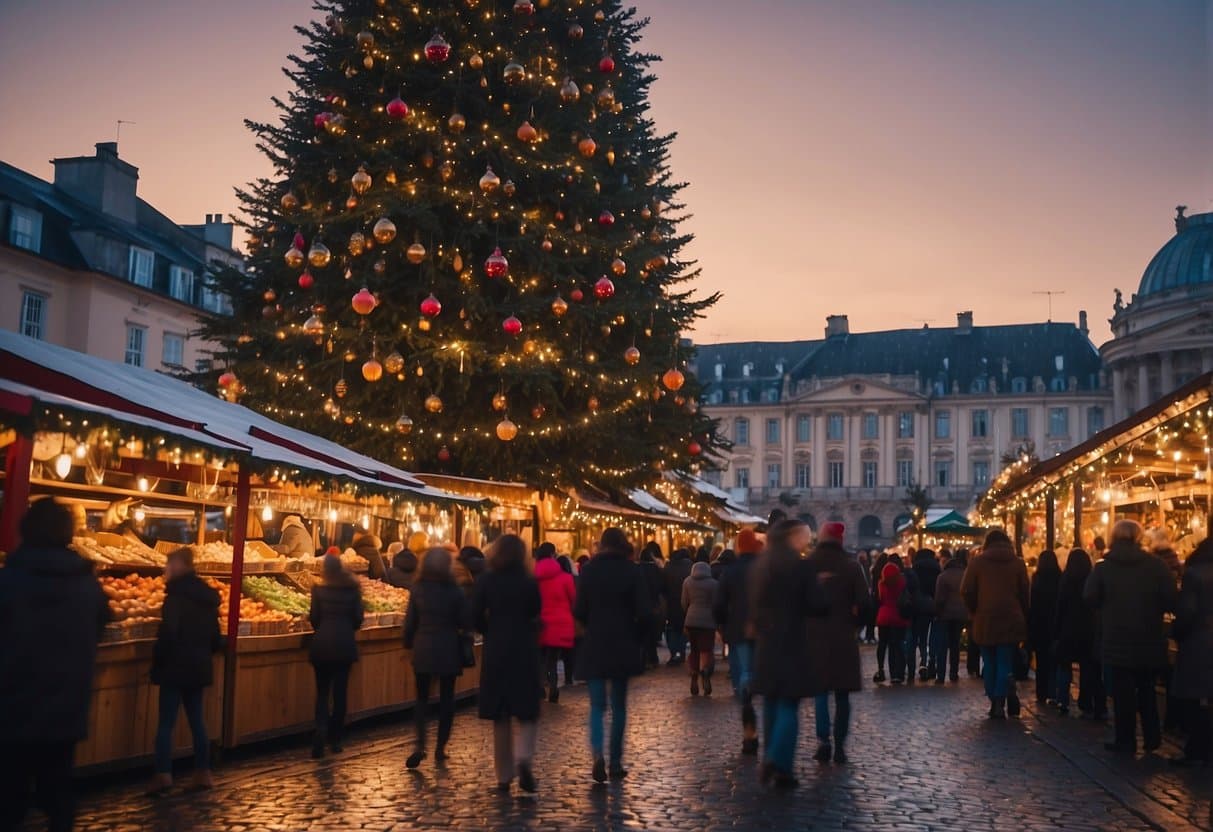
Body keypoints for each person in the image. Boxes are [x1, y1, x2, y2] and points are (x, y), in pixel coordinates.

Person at [0, 498, 109, 832]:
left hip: (14, 705)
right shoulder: (85, 581)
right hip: (66, 706)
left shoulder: (11, 577)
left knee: (10, 797)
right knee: (59, 795)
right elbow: (103, 623)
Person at [1083, 520, 1178, 753]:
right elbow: (1171, 599)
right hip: (1149, 639)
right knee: (1147, 690)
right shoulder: (1156, 566)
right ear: (1138, 537)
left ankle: (1125, 740)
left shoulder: (1104, 567)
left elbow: (1089, 597)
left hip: (1116, 640)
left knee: (1122, 694)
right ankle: (1152, 737)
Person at [749, 518, 827, 788]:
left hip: (767, 642)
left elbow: (753, 603)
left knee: (771, 702)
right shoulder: (801, 566)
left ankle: (778, 765)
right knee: (788, 705)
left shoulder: (763, 564)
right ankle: (776, 760)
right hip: (793, 641)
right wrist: (819, 584)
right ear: (793, 537)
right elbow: (818, 604)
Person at [574, 527, 650, 783]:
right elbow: (644, 611)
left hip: (595, 643)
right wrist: (639, 639)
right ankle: (615, 761)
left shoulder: (589, 572)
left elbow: (580, 610)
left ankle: (597, 754)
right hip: (623, 643)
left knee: (596, 706)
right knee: (619, 707)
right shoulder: (632, 571)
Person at [147, 546, 222, 795]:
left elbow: (169, 632)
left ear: (178, 567)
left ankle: (163, 774)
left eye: (168, 566)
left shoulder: (175, 597)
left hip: (174, 666)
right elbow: (216, 637)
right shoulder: (207, 597)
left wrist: (158, 661)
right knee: (198, 721)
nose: (165, 571)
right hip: (198, 665)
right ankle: (203, 772)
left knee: (166, 723)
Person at [474, 534, 543, 793]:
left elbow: (475, 615)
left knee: (500, 712)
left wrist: (489, 630)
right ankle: (524, 757)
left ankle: (503, 775)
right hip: (523, 647)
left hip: (497, 647)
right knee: (527, 709)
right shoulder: (528, 581)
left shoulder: (486, 580)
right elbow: (536, 610)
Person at [806, 522, 870, 764]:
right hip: (844, 635)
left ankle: (824, 740)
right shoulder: (851, 567)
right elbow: (865, 603)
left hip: (814, 637)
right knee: (842, 695)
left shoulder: (808, 565)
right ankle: (840, 744)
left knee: (820, 692)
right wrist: (857, 625)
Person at [403, 547, 470, 769]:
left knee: (422, 699)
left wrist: (408, 643)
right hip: (448, 648)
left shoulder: (418, 588)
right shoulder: (454, 590)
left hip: (423, 647)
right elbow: (465, 621)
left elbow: (410, 621)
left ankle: (420, 744)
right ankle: (440, 747)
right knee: (447, 700)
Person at [962, 529, 1029, 719]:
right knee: (1005, 661)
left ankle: (995, 701)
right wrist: (1023, 612)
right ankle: (1002, 695)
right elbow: (1025, 592)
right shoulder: (1017, 563)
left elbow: (966, 590)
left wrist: (974, 609)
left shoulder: (977, 562)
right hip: (1011, 618)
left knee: (989, 662)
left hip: (985, 619)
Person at [308, 551, 364, 757]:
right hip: (344, 646)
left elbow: (314, 618)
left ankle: (320, 733)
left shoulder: (318, 590)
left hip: (321, 645)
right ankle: (336, 739)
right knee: (340, 694)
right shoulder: (352, 590)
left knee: (322, 693)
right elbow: (358, 619)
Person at [713, 528, 763, 754]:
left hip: (737, 629)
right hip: (763, 630)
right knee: (757, 670)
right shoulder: (764, 569)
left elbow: (719, 604)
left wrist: (721, 625)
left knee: (743, 672)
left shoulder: (730, 572)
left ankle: (747, 714)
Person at [1170, 537, 1213, 766]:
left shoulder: (1195, 574)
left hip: (1200, 641)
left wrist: (1177, 632)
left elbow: (1187, 611)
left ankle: (1198, 748)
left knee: (1197, 699)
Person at [1052, 548, 1099, 717]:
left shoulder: (1066, 579)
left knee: (1064, 665)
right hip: (1088, 629)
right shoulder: (1091, 579)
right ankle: (1085, 703)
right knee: (1087, 667)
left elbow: (1060, 606)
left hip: (1068, 629)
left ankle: (1063, 700)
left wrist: (1057, 630)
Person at [535, 542, 576, 704]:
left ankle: (541, 685)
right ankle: (553, 686)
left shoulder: (533, 577)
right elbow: (574, 600)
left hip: (539, 623)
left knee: (540, 657)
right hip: (560, 623)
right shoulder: (566, 578)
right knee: (552, 657)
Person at [1028, 550, 1061, 705]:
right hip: (1055, 625)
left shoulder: (1036, 579)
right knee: (1055, 660)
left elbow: (1032, 604)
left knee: (1041, 662)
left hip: (1039, 625)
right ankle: (1054, 692)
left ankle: (1041, 693)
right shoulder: (1060, 578)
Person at [682, 561, 719, 696]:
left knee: (694, 649)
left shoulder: (687, 582)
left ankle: (694, 673)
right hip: (708, 621)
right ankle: (705, 671)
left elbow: (684, 602)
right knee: (706, 649)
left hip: (691, 620)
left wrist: (688, 613)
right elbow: (716, 603)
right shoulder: (714, 584)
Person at [933, 549, 968, 683]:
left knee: (942, 645)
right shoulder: (964, 574)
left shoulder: (943, 576)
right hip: (960, 614)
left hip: (945, 615)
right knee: (955, 645)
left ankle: (941, 675)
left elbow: (939, 598)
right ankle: (954, 673)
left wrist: (937, 612)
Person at [874, 559, 908, 684]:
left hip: (884, 616)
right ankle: (898, 673)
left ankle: (881, 669)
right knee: (898, 645)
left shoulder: (881, 584)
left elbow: (881, 598)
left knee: (883, 644)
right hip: (898, 616)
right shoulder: (902, 582)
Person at [909, 548, 940, 682]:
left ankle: (913, 667)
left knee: (915, 636)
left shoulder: (915, 567)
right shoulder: (937, 568)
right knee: (930, 637)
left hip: (917, 606)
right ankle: (928, 663)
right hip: (932, 605)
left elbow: (912, 586)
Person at [662, 548, 693, 666]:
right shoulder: (690, 566)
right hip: (686, 602)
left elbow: (663, 586)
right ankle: (682, 651)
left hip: (671, 602)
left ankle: (674, 653)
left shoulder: (668, 567)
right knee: (683, 628)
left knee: (672, 628)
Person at [637, 543, 665, 669]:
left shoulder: (637, 569)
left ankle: (642, 660)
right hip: (654, 605)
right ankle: (653, 658)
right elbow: (661, 587)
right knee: (651, 634)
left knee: (641, 634)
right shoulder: (656, 570)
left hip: (640, 605)